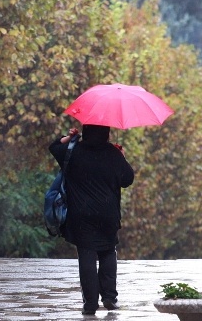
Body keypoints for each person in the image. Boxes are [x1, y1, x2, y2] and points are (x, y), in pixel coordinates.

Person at [49, 124, 134, 315]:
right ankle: (110, 297)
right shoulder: (113, 154)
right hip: (108, 213)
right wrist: (121, 156)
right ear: (106, 133)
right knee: (107, 252)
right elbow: (128, 179)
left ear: (85, 131)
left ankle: (90, 304)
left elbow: (54, 147)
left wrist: (69, 137)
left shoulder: (73, 152)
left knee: (87, 255)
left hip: (81, 215)